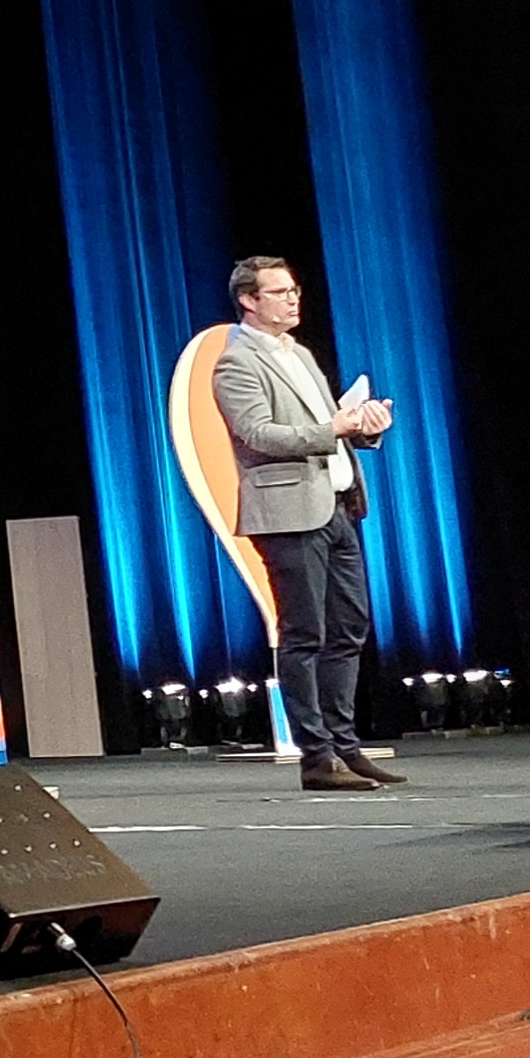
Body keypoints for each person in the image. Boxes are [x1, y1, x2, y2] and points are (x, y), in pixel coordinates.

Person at [212, 252, 403, 792]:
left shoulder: (298, 352)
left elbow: (331, 426)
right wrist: (333, 428)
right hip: (288, 513)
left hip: (336, 505)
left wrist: (366, 426)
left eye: (294, 290)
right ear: (249, 300)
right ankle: (316, 757)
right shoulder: (236, 363)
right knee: (305, 634)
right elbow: (258, 435)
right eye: (279, 292)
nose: (293, 299)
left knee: (349, 628)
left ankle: (345, 746)